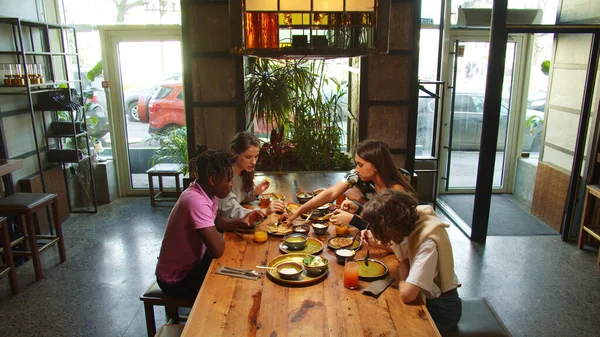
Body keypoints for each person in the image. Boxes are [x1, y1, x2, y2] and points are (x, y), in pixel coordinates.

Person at [155, 150, 263, 299]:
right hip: (177, 278)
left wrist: (243, 219)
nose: (231, 184)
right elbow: (217, 249)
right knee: (234, 290)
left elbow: (219, 223)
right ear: (212, 180)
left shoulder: (208, 192)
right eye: (229, 179)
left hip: (195, 262)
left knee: (244, 269)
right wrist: (220, 233)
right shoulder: (195, 200)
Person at [361, 190, 462, 332]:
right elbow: (400, 246)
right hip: (425, 297)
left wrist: (404, 273)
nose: (371, 230)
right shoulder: (411, 219)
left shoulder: (428, 242)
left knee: (383, 324)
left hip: (440, 309)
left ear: (391, 228)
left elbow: (407, 295)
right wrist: (375, 241)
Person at [281, 139, 416, 229]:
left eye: (360, 165)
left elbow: (388, 234)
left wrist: (354, 218)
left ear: (376, 165)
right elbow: (330, 194)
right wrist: (297, 212)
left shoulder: (396, 191)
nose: (356, 169)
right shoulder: (357, 175)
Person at [218, 131, 284, 219]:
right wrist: (264, 211)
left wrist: (255, 192)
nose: (254, 162)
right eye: (248, 157)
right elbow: (230, 211)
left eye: (256, 156)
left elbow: (239, 199)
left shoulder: (244, 172)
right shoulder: (224, 177)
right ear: (234, 153)